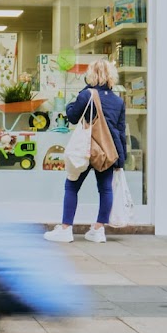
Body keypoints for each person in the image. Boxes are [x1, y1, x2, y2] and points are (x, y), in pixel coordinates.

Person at [44, 59, 126, 244]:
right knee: (105, 189)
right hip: (107, 151)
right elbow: (121, 131)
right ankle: (98, 230)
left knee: (72, 186)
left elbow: (72, 117)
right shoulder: (118, 101)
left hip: (86, 149)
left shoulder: (87, 94)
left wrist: (71, 103)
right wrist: (121, 160)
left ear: (91, 75)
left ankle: (65, 229)